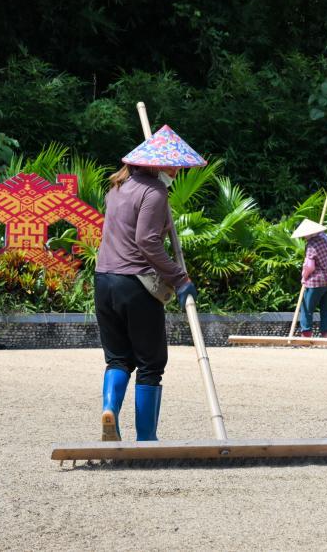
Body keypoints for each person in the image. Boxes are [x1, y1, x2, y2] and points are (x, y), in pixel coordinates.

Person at [94, 125, 205, 442]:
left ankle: (109, 410)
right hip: (136, 285)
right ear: (158, 165)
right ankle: (146, 438)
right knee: (151, 363)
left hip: (104, 282)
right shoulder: (154, 193)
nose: (176, 172)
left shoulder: (117, 189)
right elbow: (147, 242)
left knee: (117, 359)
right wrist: (179, 278)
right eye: (173, 166)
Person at [293, 218, 327, 338]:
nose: (303, 238)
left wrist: (304, 277)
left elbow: (309, 266)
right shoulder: (326, 239)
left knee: (307, 309)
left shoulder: (311, 245)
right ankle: (326, 335)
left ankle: (306, 336)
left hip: (316, 282)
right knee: (326, 310)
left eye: (304, 235)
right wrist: (321, 233)